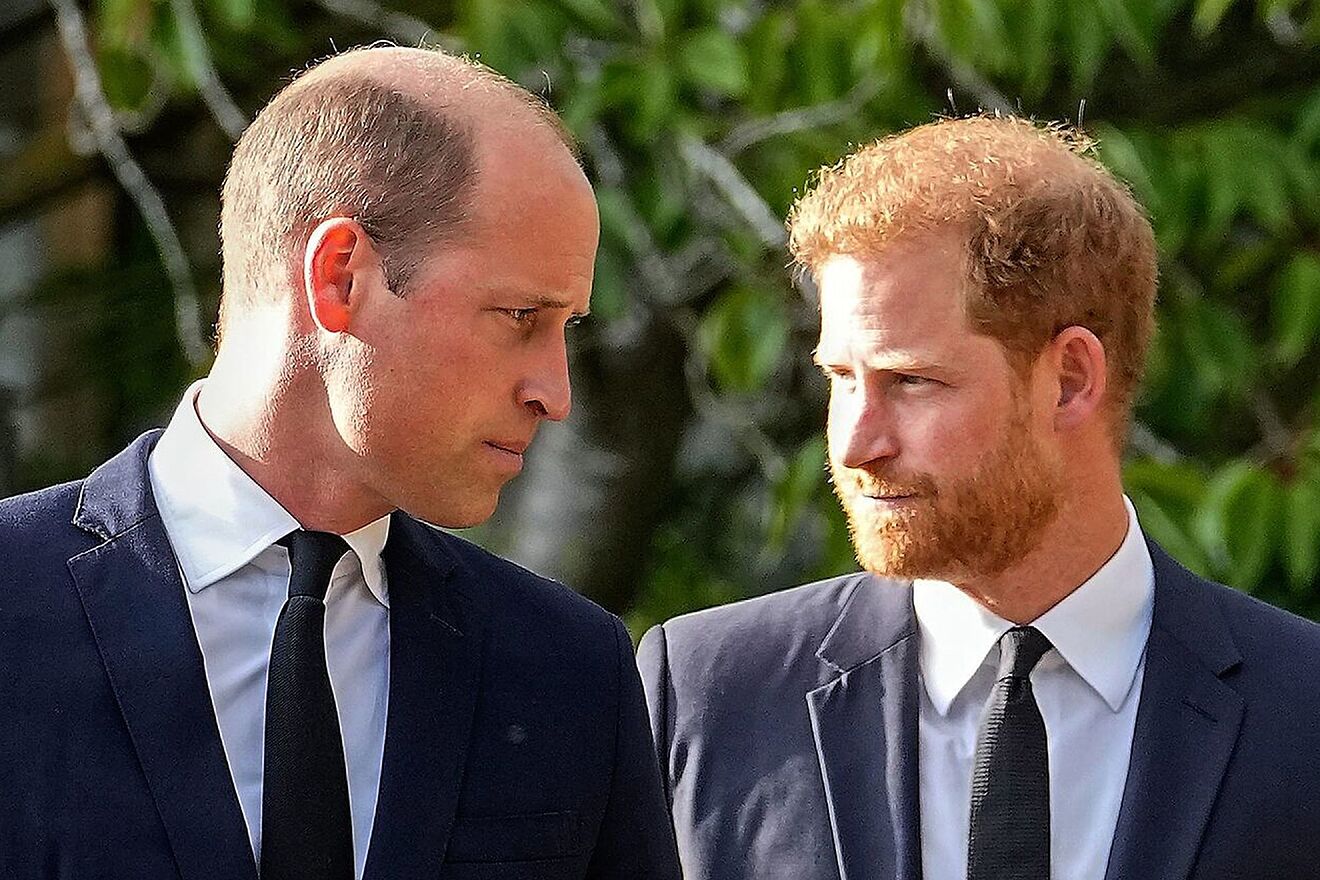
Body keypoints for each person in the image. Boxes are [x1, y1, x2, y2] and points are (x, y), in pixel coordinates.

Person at [0, 46, 680, 880]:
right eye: (519, 316)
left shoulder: (569, 668)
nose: (556, 393)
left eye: (566, 328)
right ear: (339, 276)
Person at [638, 115, 1320, 880]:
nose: (856, 445)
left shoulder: (1303, 712)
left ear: (1070, 380)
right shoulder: (707, 692)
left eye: (911, 380)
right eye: (841, 378)